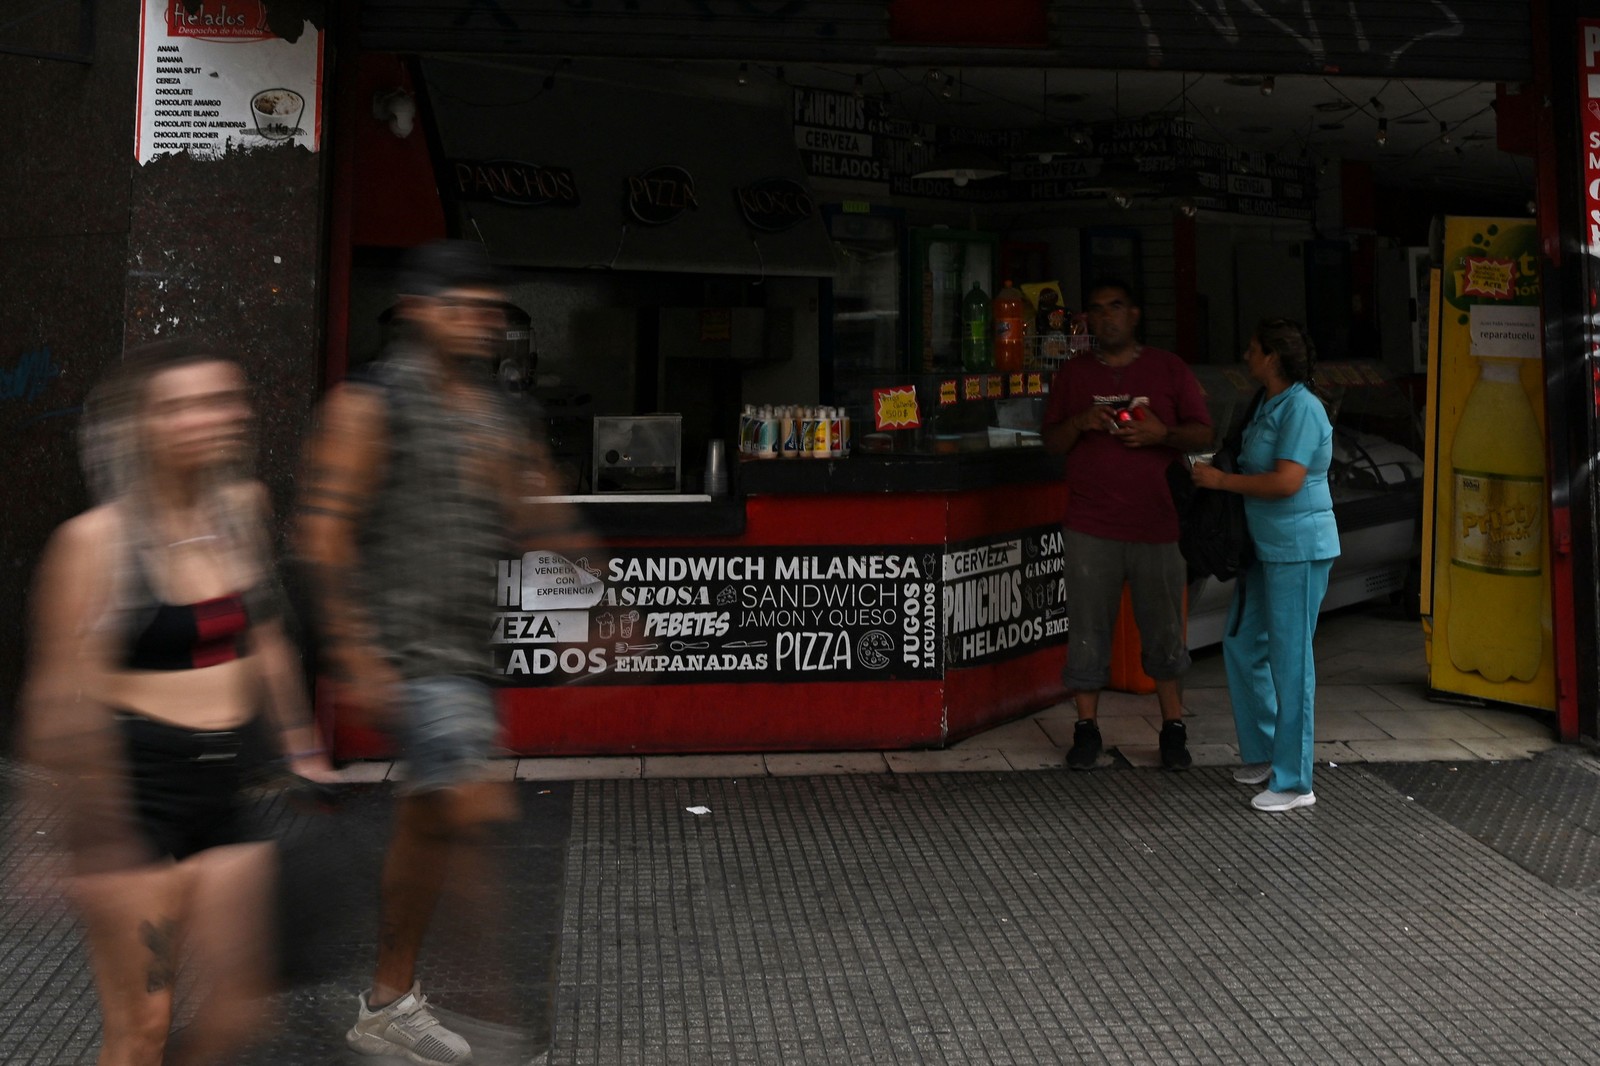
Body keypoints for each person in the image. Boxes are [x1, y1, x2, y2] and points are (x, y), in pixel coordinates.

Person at [19, 339, 332, 1065]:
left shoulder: (240, 510)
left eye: (222, 399)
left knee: (240, 1011)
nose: (208, 417)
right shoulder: (93, 541)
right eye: (180, 405)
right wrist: (44, 834)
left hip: (224, 786)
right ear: (142, 425)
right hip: (133, 796)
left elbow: (265, 636)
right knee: (141, 1030)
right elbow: (56, 694)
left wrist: (305, 746)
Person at [297, 239, 571, 1064]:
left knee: (434, 826)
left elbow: (533, 515)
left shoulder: (491, 413)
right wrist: (357, 651)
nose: (480, 322)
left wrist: (596, 577)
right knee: (471, 811)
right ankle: (492, 1020)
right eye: (462, 306)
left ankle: (391, 999)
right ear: (417, 312)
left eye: (489, 309)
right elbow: (325, 534)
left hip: (461, 654)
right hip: (414, 657)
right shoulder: (370, 407)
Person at [1041, 279, 1214, 770]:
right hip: (1090, 523)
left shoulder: (1168, 368)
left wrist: (1162, 432)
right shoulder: (1073, 375)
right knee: (1088, 629)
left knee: (1163, 631)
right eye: (1096, 309)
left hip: (1158, 523)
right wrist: (1082, 422)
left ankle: (1173, 728)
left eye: (1115, 307)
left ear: (1135, 314)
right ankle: (1086, 729)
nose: (1105, 317)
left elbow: (1205, 432)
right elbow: (1051, 441)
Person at [1191, 319, 1340, 812]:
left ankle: (1296, 781)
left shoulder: (1301, 407)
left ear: (1273, 357)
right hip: (1264, 547)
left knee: (1291, 661)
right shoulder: (1266, 402)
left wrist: (1219, 484)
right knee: (1240, 643)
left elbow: (1286, 483)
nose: (1246, 356)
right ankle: (1263, 752)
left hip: (1298, 547)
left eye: (1253, 350)